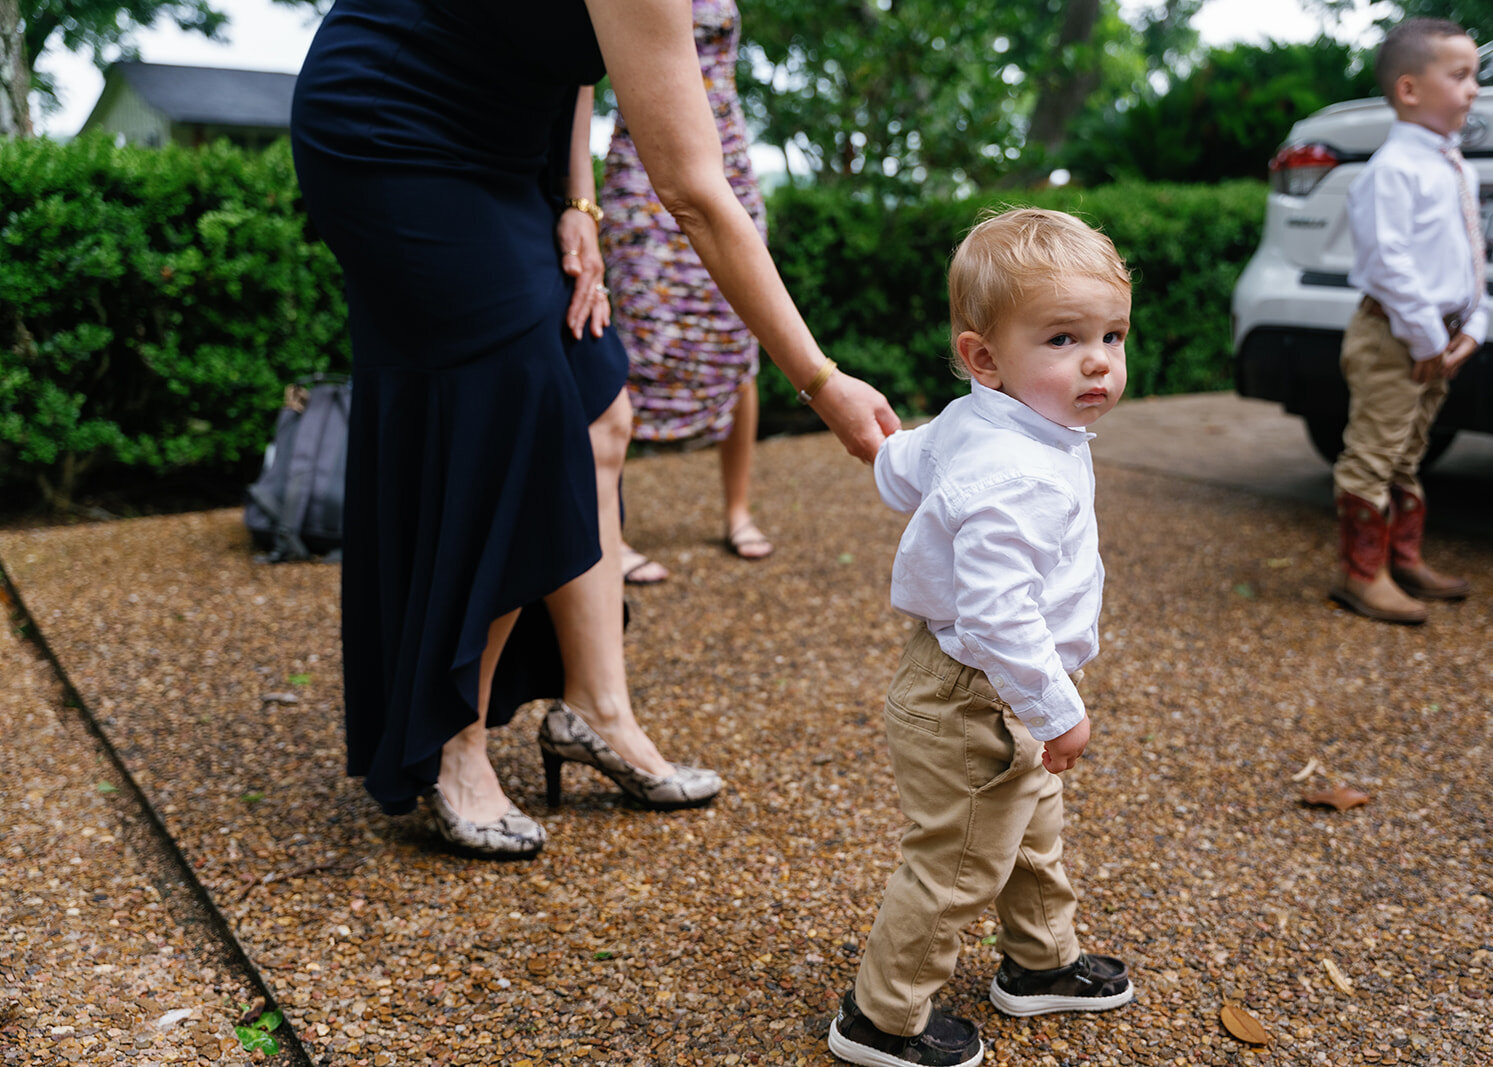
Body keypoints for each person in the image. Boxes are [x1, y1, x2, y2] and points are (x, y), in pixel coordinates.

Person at [290, 0, 899, 858]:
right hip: (393, 127)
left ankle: (597, 711)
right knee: (520, 407)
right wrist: (821, 379)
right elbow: (692, 190)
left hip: (510, 142)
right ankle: (452, 742)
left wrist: (577, 198)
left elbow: (574, 61)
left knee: (596, 400)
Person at [828, 208, 1134, 1067]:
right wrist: (1057, 708)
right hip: (981, 690)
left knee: (1030, 824)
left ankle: (1041, 961)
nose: (1098, 360)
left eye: (1112, 334)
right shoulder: (1015, 473)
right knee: (959, 857)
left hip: (989, 683)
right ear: (985, 358)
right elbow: (1000, 614)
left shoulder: (992, 420)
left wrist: (885, 454)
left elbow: (909, 461)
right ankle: (881, 1018)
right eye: (1065, 337)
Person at [600, 0, 772, 584]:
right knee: (629, 334)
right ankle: (608, 531)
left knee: (738, 325)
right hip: (643, 161)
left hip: (725, 155)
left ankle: (737, 511)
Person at [1331, 18, 1484, 624]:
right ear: (1410, 89)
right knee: (1373, 451)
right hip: (1393, 336)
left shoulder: (1456, 167)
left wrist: (1475, 325)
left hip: (1436, 337)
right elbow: (1386, 261)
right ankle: (1360, 574)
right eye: (1460, 75)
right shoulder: (1392, 170)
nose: (1474, 89)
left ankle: (1403, 558)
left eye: (1476, 75)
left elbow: (1471, 257)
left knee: (1408, 451)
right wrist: (1425, 334)